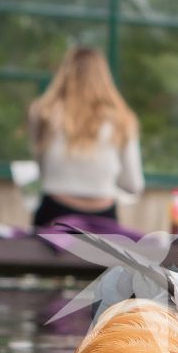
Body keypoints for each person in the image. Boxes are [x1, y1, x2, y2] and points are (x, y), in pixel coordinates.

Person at [26, 46, 145, 240]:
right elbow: (134, 185)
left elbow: (43, 171)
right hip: (103, 219)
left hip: (54, 215)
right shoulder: (122, 120)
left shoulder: (43, 113)